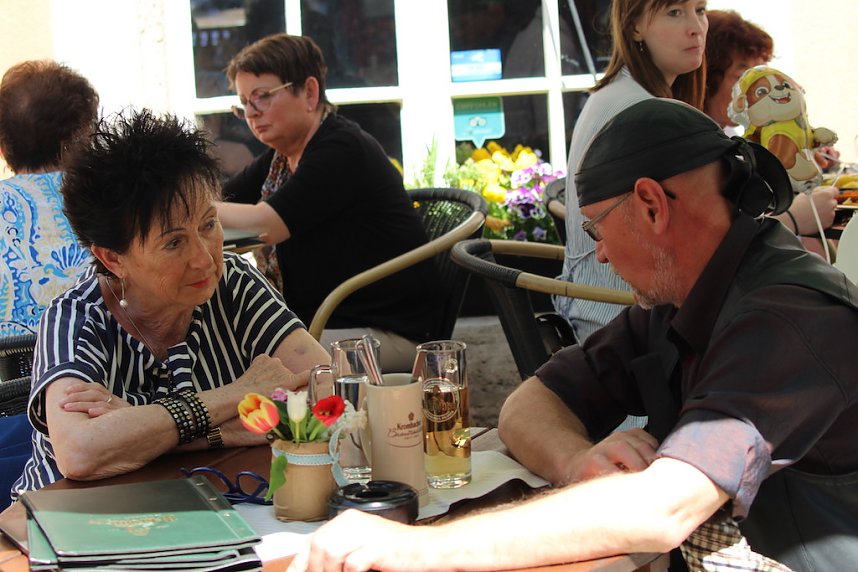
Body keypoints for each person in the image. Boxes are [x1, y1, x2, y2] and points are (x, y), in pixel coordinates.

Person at [288, 99, 858, 572]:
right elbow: (528, 403)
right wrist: (578, 460)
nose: (600, 253)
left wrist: (420, 548)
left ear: (652, 205)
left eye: (594, 229)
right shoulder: (685, 296)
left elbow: (662, 510)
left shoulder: (787, 316)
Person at [10, 109, 331, 500]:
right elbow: (81, 452)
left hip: (210, 502)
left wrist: (143, 427)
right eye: (174, 242)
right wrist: (240, 393)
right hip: (76, 528)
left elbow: (331, 396)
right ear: (113, 258)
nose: (205, 259)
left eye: (209, 225)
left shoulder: (233, 282)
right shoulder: (75, 319)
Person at [216, 34, 441, 372]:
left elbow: (266, 224)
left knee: (241, 360)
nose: (250, 113)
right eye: (244, 102)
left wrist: (186, 206)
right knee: (225, 343)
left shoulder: (341, 149)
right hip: (331, 324)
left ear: (309, 92)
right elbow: (224, 198)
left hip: (387, 335)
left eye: (261, 97)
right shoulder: (281, 158)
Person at [554, 0, 708, 344]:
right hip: (625, 327)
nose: (696, 27)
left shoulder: (622, 93)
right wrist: (794, 220)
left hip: (600, 312)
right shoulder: (640, 110)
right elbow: (699, 238)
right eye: (675, 12)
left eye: (700, 9)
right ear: (634, 25)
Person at [704, 9, 839, 249]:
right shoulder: (704, 153)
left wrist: (805, 151)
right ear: (708, 77)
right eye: (744, 78)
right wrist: (793, 220)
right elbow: (716, 247)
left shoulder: (736, 136)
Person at [0, 60, 97, 337]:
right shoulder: (117, 199)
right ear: (85, 137)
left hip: (12, 377)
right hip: (107, 375)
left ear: (4, 146)